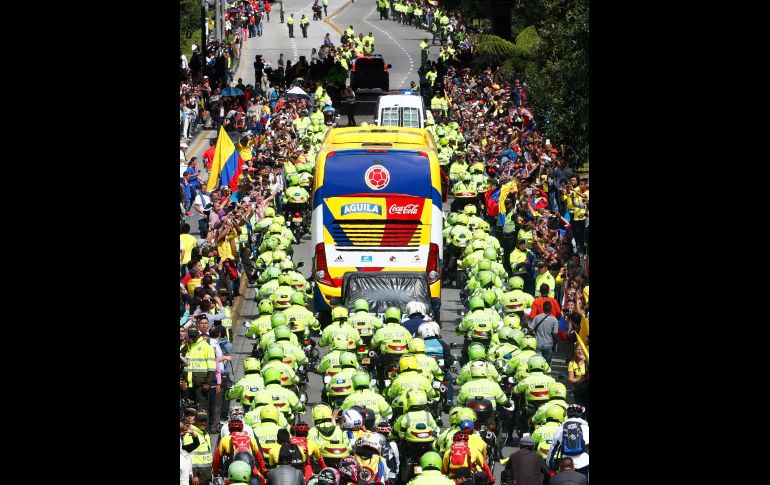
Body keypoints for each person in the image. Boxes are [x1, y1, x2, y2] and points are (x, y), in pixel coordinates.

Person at [546, 405, 589, 479]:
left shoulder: (561, 429)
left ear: (567, 415)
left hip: (566, 464)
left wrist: (550, 463)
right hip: (584, 462)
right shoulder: (586, 428)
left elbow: (553, 448)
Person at [182, 411, 214, 485]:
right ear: (195, 421)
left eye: (205, 420)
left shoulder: (205, 434)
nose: (203, 423)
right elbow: (188, 456)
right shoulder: (190, 435)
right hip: (198, 475)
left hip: (206, 473)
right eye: (200, 420)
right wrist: (194, 475)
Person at [567, 346, 588, 412]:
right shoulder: (571, 363)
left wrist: (586, 361)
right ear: (575, 351)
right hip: (578, 389)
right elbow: (571, 379)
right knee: (580, 408)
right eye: (578, 349)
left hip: (587, 389)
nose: (580, 351)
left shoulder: (587, 361)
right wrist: (582, 379)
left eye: (582, 349)